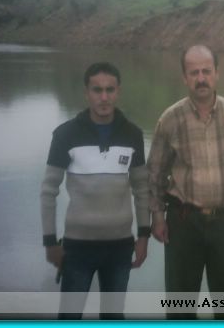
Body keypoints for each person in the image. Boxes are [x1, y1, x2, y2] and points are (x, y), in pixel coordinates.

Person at [148, 45, 224, 319]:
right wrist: (158, 216)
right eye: (194, 72)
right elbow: (155, 173)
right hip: (184, 221)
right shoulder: (170, 118)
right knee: (180, 305)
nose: (201, 78)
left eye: (206, 71)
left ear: (217, 73)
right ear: (184, 77)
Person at [40, 62, 150, 319]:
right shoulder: (65, 134)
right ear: (86, 93)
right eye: (97, 90)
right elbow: (48, 190)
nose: (104, 97)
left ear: (118, 91)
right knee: (70, 316)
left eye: (110, 90)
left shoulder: (133, 135)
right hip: (77, 247)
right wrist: (50, 241)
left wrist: (143, 236)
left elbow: (142, 189)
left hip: (120, 247)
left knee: (113, 316)